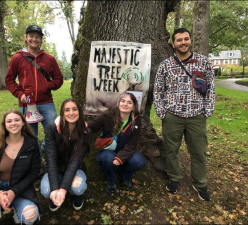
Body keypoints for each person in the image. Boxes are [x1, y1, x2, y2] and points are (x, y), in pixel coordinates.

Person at [153, 28, 215, 201]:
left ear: (190, 40)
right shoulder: (166, 65)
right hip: (172, 115)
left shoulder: (203, 62)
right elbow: (158, 90)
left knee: (199, 151)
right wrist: (161, 112)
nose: (183, 43)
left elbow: (210, 87)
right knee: (171, 150)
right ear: (173, 44)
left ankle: (200, 182)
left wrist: (207, 110)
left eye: (186, 39)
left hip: (197, 115)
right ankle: (174, 177)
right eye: (179, 40)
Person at [0, 109, 42, 225]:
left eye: (17, 120)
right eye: (9, 121)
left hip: (21, 188)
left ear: (23, 123)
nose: (13, 123)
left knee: (30, 215)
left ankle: (17, 211)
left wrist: (14, 191)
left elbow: (34, 173)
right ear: (4, 125)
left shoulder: (32, 143)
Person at [5, 24, 63, 151]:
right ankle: (37, 164)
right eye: (31, 36)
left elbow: (59, 79)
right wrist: (20, 95)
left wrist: (46, 86)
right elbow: (9, 80)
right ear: (26, 38)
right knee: (31, 136)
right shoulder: (17, 58)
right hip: (27, 105)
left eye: (37, 37)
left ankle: (48, 154)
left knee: (53, 134)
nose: (34, 39)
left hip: (46, 103)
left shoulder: (49, 59)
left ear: (41, 40)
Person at [88, 92, 146, 194]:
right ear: (118, 103)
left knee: (139, 161)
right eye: (123, 101)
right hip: (107, 150)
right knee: (108, 159)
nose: (125, 104)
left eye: (129, 102)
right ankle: (111, 180)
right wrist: (81, 126)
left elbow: (132, 144)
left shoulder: (136, 120)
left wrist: (120, 158)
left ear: (133, 107)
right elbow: (91, 127)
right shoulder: (107, 116)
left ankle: (125, 176)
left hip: (125, 151)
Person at [40, 98, 91, 211]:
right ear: (62, 113)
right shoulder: (52, 129)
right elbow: (51, 159)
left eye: (74, 109)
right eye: (67, 110)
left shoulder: (85, 131)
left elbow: (76, 160)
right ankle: (55, 193)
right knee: (47, 191)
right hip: (56, 168)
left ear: (79, 112)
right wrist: (54, 189)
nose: (71, 113)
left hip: (75, 168)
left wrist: (62, 190)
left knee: (78, 188)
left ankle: (76, 195)